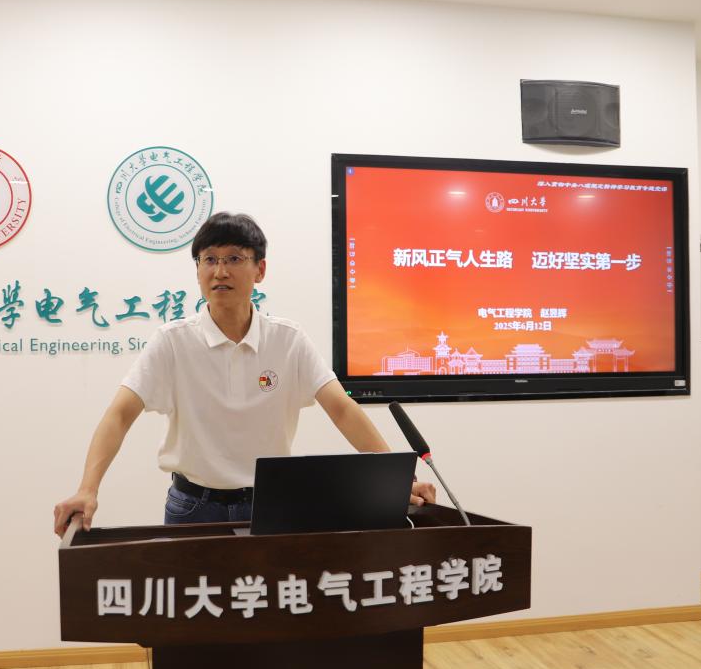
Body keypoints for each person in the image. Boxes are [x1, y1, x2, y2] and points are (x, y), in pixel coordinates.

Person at [53, 212, 435, 536]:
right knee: (195, 603)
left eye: (234, 258)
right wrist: (88, 489)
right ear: (198, 270)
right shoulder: (173, 341)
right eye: (209, 259)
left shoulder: (287, 340)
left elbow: (341, 409)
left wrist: (396, 481)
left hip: (270, 506)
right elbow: (119, 415)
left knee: (267, 601)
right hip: (193, 506)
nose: (220, 271)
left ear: (260, 269)